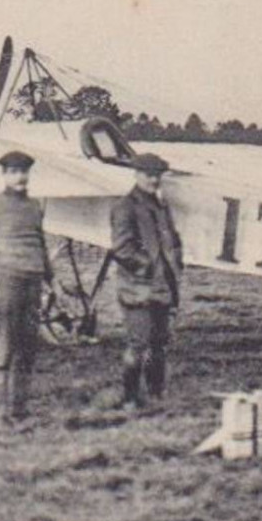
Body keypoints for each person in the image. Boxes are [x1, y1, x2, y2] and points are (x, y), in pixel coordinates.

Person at [0, 150, 54, 422]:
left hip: (33, 282)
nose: (20, 177)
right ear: (4, 175)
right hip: (6, 282)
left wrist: (52, 281)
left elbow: (40, 244)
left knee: (27, 348)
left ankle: (19, 410)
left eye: (24, 171)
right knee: (3, 347)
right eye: (14, 172)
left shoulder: (34, 207)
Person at [110, 152, 184, 413]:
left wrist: (175, 267)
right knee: (138, 344)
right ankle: (130, 398)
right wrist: (147, 266)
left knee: (159, 343)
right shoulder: (125, 207)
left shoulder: (162, 207)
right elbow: (121, 248)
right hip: (137, 288)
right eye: (149, 174)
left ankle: (156, 393)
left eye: (158, 175)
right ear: (137, 174)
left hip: (162, 286)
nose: (154, 180)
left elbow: (172, 241)